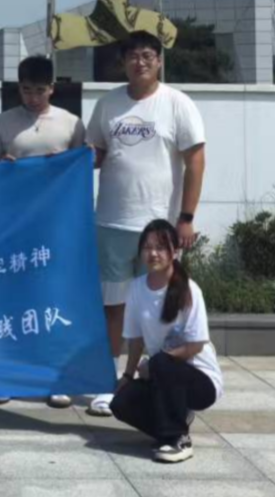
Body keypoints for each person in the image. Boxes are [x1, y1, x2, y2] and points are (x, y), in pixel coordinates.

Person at [83, 30, 205, 418]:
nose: (140, 62)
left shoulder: (177, 103)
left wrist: (185, 218)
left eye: (148, 55)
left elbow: (195, 161)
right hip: (112, 221)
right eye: (133, 56)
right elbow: (96, 154)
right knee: (113, 307)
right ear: (123, 62)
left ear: (159, 61)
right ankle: (107, 381)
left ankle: (159, 378)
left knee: (160, 308)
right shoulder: (108, 104)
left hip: (158, 228)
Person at [0, 54, 86, 408]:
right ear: (18, 88)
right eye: (26, 90)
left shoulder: (71, 124)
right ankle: (7, 376)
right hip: (14, 226)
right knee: (12, 301)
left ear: (52, 88)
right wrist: (1, 167)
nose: (33, 97)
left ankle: (57, 378)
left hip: (55, 226)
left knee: (55, 300)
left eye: (40, 90)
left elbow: (80, 173)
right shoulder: (2, 123)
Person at [109, 219, 222, 463]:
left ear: (175, 252)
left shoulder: (189, 290)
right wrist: (127, 376)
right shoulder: (137, 288)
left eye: (160, 247)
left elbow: (195, 346)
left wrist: (153, 365)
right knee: (121, 403)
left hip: (200, 381)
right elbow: (136, 340)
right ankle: (173, 421)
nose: (153, 254)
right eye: (147, 247)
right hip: (162, 375)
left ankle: (177, 439)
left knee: (160, 362)